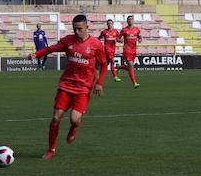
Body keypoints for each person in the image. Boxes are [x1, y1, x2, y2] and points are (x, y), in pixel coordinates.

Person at [29, 14, 107, 160]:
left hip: (84, 87)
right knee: (56, 117)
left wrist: (100, 83)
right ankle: (51, 149)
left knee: (73, 119)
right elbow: (51, 49)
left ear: (86, 28)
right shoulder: (68, 41)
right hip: (66, 84)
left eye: (79, 29)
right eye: (74, 29)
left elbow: (103, 64)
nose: (76, 32)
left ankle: (75, 126)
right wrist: (36, 54)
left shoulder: (96, 44)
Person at [117, 14, 142, 88]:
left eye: (131, 19)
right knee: (131, 65)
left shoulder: (137, 29)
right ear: (127, 21)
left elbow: (139, 36)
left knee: (129, 67)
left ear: (133, 21)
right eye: (129, 19)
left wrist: (140, 39)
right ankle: (135, 83)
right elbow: (118, 38)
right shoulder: (124, 30)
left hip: (134, 50)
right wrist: (120, 40)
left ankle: (120, 67)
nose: (130, 20)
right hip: (126, 50)